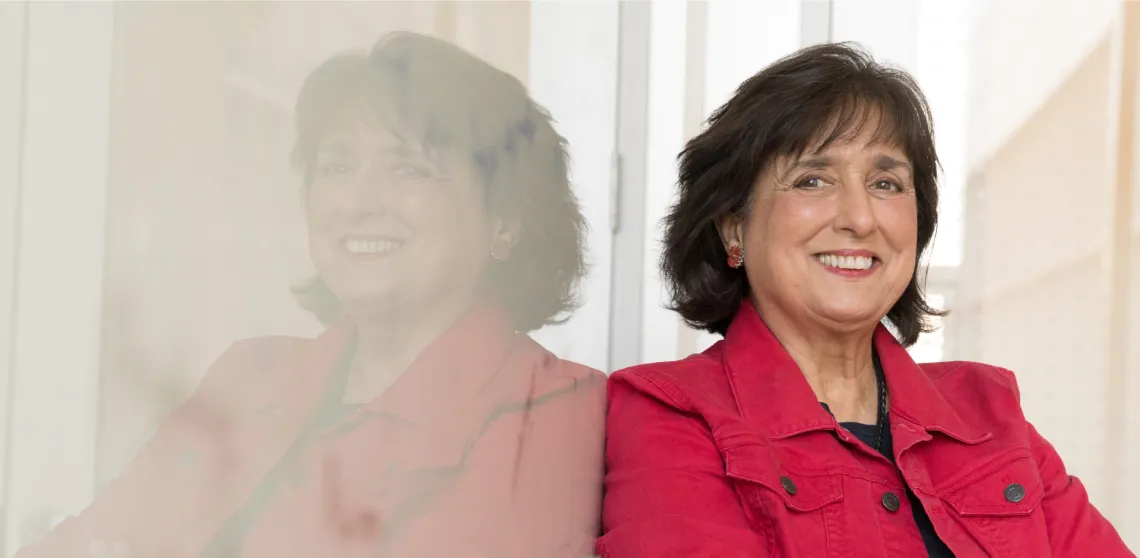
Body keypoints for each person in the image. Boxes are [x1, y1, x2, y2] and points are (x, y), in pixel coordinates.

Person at [19, 31, 604, 558]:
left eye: (410, 169)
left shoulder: (557, 408)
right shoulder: (250, 374)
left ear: (504, 221)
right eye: (337, 166)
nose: (358, 201)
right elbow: (85, 542)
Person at [597, 43, 1133, 557]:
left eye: (886, 184)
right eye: (812, 180)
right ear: (733, 226)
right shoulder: (670, 414)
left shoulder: (989, 411)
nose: (859, 217)